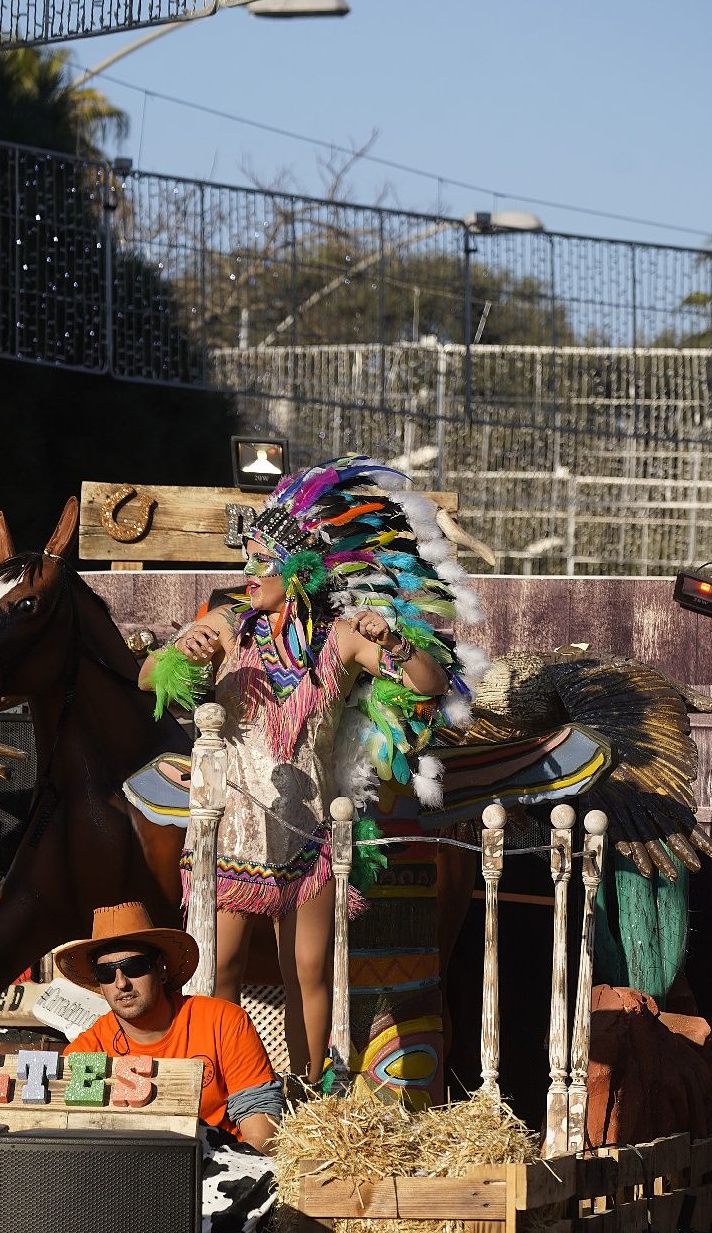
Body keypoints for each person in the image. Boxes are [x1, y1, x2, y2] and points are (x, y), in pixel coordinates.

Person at [138, 454, 485, 1082]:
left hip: (308, 837)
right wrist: (179, 658)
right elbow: (148, 678)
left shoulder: (342, 636)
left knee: (310, 973)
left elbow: (430, 686)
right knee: (220, 970)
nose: (249, 575)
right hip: (229, 829)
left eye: (262, 564)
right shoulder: (225, 625)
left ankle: (305, 1096)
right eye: (246, 562)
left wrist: (399, 640)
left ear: (299, 571)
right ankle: (223, 1094)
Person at [56, 903, 286, 1233]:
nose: (121, 982)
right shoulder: (84, 1052)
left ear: (161, 968)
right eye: (106, 972)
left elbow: (262, 1135)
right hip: (130, 1193)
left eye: (134, 966)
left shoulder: (222, 1021)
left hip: (218, 1186)